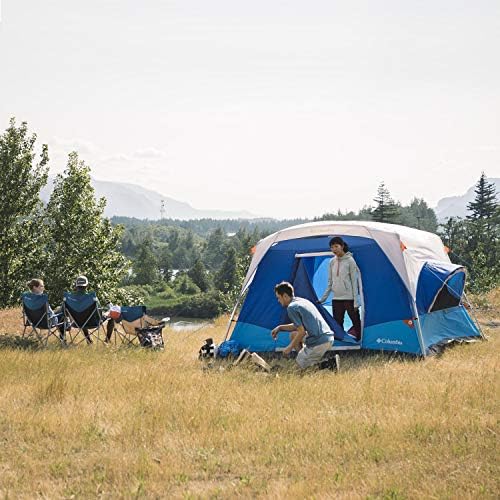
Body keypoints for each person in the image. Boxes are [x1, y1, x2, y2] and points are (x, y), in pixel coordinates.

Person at [271, 281, 337, 370]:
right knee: (293, 334)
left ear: (285, 296)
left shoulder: (291, 308)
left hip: (319, 341)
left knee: (298, 370)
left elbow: (301, 332)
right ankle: (305, 358)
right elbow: (299, 326)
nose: (278, 301)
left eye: (279, 298)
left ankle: (330, 364)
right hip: (327, 337)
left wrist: (289, 347)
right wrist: (280, 328)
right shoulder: (300, 301)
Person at [318, 236, 362, 341]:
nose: (334, 249)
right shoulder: (331, 262)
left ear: (342, 246)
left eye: (336, 246)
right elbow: (330, 282)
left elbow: (354, 282)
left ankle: (360, 340)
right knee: (337, 323)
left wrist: (356, 302)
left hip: (349, 298)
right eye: (332, 247)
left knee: (355, 320)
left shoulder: (350, 260)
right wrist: (323, 299)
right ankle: (342, 341)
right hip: (336, 298)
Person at [72, 275, 115, 344]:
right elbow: (99, 311)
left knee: (82, 316)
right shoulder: (92, 298)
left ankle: (89, 340)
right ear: (86, 286)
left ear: (76, 286)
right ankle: (107, 340)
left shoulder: (70, 299)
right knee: (112, 314)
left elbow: (64, 312)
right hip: (94, 323)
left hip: (77, 323)